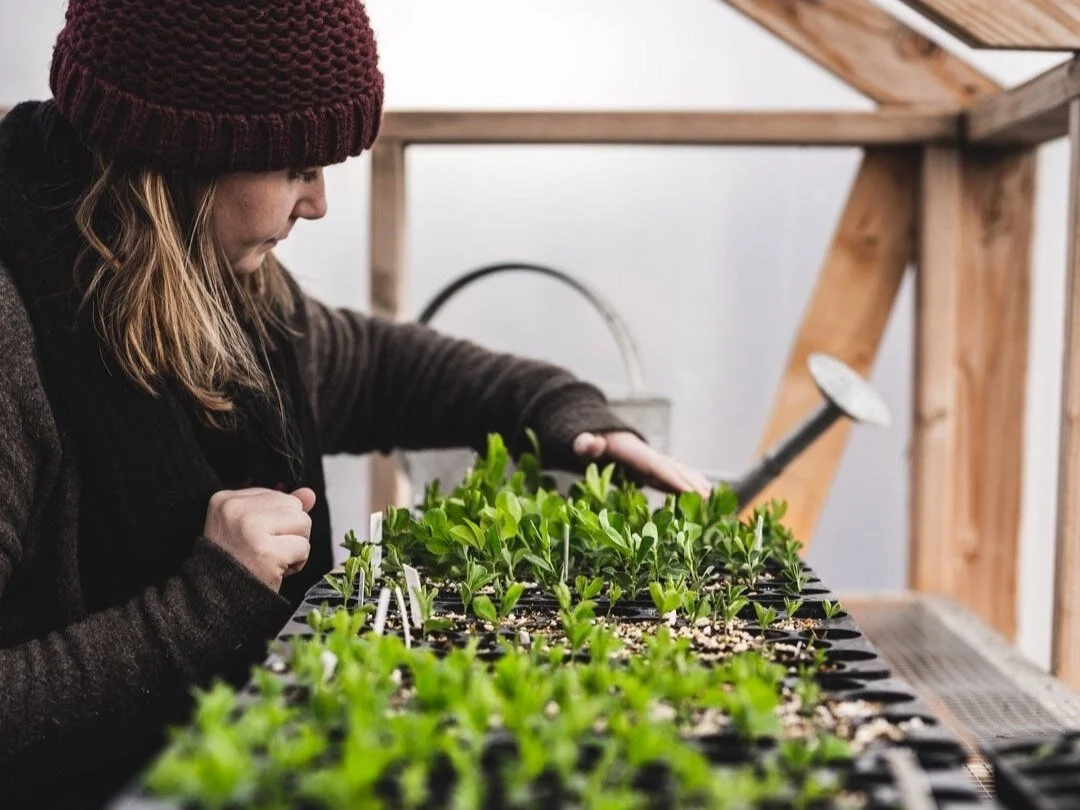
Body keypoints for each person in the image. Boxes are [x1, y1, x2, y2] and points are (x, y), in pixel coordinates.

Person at [0, 0, 710, 805]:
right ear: (183, 155)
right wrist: (208, 602)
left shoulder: (210, 288)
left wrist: (564, 412)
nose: (318, 203)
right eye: (296, 166)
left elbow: (381, 369)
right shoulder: (16, 334)